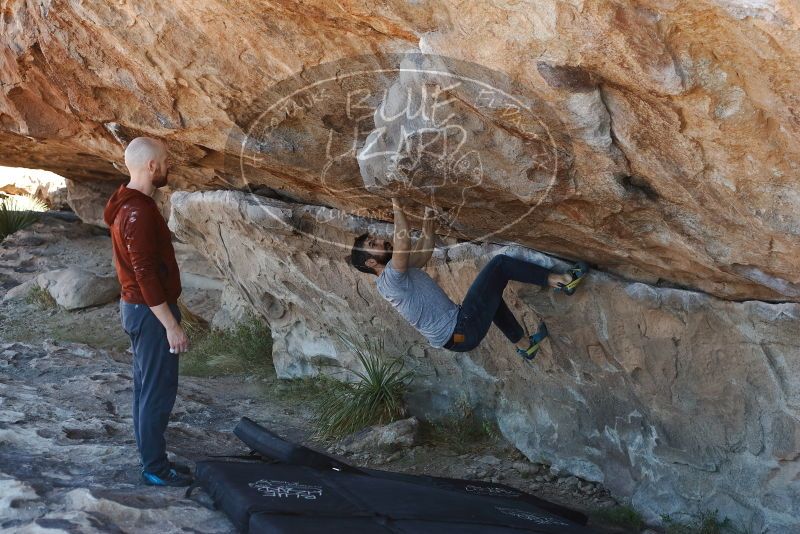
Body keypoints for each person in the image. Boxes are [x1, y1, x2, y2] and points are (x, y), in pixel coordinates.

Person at [349, 198, 587, 360]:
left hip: (458, 339)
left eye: (375, 239)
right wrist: (396, 202)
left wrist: (429, 214)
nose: (380, 241)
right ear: (371, 262)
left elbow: (424, 250)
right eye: (373, 244)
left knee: (490, 299)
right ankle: (562, 280)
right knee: (500, 265)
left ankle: (526, 345)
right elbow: (403, 243)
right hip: (461, 329)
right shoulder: (390, 279)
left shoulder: (395, 276)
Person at [103, 137, 193, 487]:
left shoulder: (127, 205)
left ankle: (153, 461)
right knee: (157, 390)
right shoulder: (137, 212)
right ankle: (155, 469)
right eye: (166, 161)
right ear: (152, 166)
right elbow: (144, 274)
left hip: (138, 309)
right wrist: (170, 324)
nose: (169, 166)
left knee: (147, 388)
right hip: (150, 313)